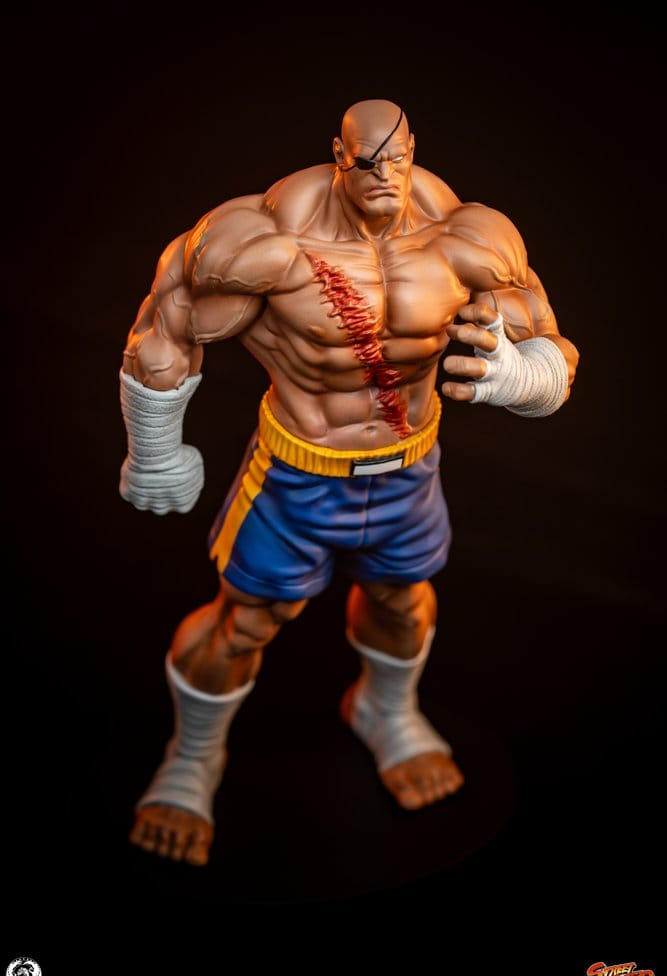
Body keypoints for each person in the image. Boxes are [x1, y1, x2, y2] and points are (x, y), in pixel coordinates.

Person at [120, 99, 579, 866]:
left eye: (394, 160)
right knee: (247, 620)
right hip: (297, 476)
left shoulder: (468, 237)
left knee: (403, 600)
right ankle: (193, 756)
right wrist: (155, 450)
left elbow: (554, 353)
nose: (381, 175)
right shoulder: (263, 240)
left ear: (413, 152)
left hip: (409, 471)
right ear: (338, 155)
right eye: (364, 161)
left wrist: (519, 375)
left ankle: (384, 711)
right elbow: (163, 330)